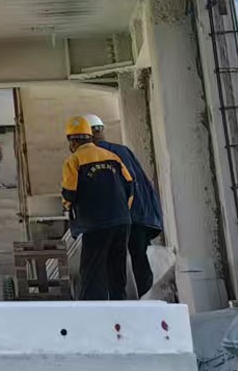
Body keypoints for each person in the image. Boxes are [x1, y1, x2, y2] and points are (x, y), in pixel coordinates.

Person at [85, 113, 164, 298]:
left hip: (120, 217)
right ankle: (148, 299)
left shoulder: (93, 156)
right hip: (140, 215)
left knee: (114, 262)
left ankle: (119, 304)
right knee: (140, 259)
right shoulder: (123, 151)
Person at [61, 115, 134, 300]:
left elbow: (69, 193)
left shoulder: (73, 161)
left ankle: (93, 311)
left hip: (95, 224)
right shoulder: (112, 157)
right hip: (122, 221)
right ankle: (120, 308)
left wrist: (69, 207)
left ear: (72, 141)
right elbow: (130, 186)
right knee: (117, 272)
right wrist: (122, 211)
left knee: (92, 273)